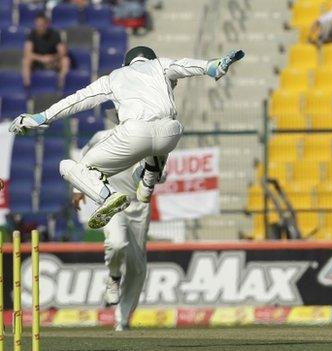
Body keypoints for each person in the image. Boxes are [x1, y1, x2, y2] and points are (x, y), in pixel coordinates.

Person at [9, 45, 245, 230]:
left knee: (70, 167)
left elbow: (78, 100)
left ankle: (107, 196)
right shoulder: (161, 65)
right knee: (158, 138)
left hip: (135, 134)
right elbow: (186, 66)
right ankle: (149, 179)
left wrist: (42, 117)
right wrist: (213, 66)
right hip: (171, 132)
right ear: (149, 59)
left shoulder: (115, 76)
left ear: (127, 62)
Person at [72, 130, 155, 332]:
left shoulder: (152, 141)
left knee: (137, 267)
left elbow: (159, 173)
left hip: (139, 206)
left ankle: (122, 319)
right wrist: (78, 190)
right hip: (112, 201)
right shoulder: (101, 137)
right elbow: (83, 161)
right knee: (117, 243)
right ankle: (114, 276)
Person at [22, 12, 71, 88]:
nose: (39, 27)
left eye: (41, 24)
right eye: (37, 24)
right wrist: (42, 58)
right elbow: (27, 53)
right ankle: (28, 86)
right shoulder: (32, 34)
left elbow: (63, 52)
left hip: (53, 61)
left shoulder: (55, 34)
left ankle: (61, 84)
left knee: (66, 60)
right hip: (38, 61)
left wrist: (52, 57)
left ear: (46, 24)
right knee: (26, 60)